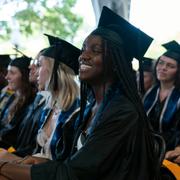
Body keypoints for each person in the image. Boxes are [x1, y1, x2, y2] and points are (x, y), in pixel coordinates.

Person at [0, 6, 163, 180]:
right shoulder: (94, 106)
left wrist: (3, 167)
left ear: (117, 62)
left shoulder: (122, 112)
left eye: (95, 50)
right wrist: (44, 163)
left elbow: (76, 174)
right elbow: (76, 164)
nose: (83, 55)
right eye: (84, 48)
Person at [0, 36, 80, 162]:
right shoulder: (49, 108)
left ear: (55, 71)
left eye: (39, 65)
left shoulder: (77, 111)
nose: (35, 72)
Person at [143, 40, 180, 163]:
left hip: (169, 153)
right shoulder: (150, 93)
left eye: (170, 66)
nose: (163, 68)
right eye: (161, 63)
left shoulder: (178, 97)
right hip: (146, 148)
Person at [0, 55, 36, 148]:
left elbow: (11, 136)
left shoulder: (31, 103)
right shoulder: (13, 97)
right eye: (8, 72)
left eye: (12, 73)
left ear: (24, 75)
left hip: (11, 151)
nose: (7, 77)